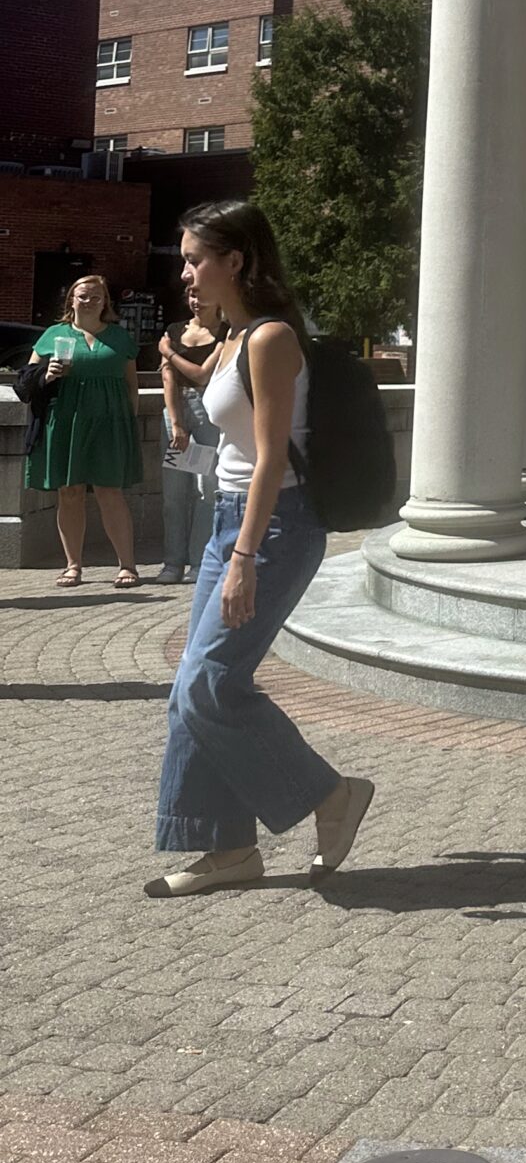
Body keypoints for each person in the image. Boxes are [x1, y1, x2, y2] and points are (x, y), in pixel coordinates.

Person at [147, 199, 374, 899]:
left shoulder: (271, 338)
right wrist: (178, 353)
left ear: (235, 260)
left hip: (273, 527)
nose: (185, 274)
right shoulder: (236, 337)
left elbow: (273, 456)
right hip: (230, 521)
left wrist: (244, 558)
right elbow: (221, 404)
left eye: (195, 260)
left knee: (208, 685)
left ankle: (332, 795)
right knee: (191, 691)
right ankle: (228, 850)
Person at [26, 274, 145, 588]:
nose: (89, 301)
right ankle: (73, 565)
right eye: (83, 296)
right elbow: (27, 377)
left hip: (110, 422)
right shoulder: (54, 334)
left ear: (105, 302)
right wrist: (47, 374)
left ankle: (127, 565)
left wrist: (129, 424)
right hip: (66, 420)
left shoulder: (119, 337)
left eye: (96, 296)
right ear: (71, 300)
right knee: (70, 492)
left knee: (110, 491)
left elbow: (131, 387)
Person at [156, 308, 222, 584]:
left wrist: (168, 352)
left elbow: (202, 375)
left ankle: (199, 561)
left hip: (207, 411)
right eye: (191, 294)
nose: (196, 300)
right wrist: (177, 424)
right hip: (176, 411)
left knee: (206, 489)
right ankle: (173, 563)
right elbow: (168, 377)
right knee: (174, 493)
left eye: (201, 294)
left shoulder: (225, 332)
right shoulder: (175, 330)